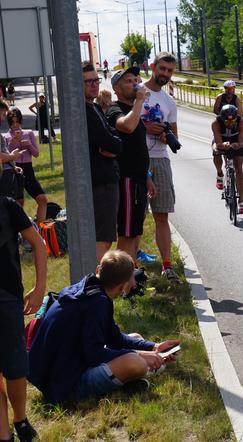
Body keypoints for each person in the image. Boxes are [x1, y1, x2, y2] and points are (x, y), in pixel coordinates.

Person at [28, 250, 180, 405]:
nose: (134, 283)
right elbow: (94, 354)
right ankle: (136, 375)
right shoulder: (97, 304)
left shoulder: (90, 288)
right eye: (132, 279)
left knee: (135, 337)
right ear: (122, 287)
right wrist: (141, 355)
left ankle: (137, 373)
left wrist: (154, 347)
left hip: (55, 372)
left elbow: (114, 338)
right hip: (63, 385)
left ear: (98, 270)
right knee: (137, 363)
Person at [0, 195, 47, 442]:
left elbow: (38, 244)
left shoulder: (8, 206)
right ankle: (4, 433)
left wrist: (40, 288)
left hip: (7, 298)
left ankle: (20, 418)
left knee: (15, 368)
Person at [106, 67, 156, 260]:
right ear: (116, 88)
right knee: (126, 234)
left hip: (138, 179)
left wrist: (147, 176)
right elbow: (126, 126)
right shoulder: (114, 109)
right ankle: (121, 281)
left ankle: (131, 278)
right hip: (126, 179)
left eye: (136, 79)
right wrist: (140, 101)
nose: (135, 84)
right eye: (128, 81)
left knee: (135, 231)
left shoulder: (133, 109)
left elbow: (138, 147)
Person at [140, 52, 179, 280]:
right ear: (154, 67)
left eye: (169, 71)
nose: (165, 74)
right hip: (138, 157)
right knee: (134, 216)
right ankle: (130, 264)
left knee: (162, 215)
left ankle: (167, 265)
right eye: (162, 68)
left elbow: (174, 132)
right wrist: (145, 128)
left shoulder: (169, 101)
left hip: (161, 158)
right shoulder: (139, 92)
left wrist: (166, 136)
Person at [83, 62, 124, 262]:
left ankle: (95, 284)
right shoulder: (85, 112)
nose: (94, 85)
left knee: (104, 237)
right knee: (104, 238)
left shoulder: (95, 108)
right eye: (88, 81)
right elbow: (109, 141)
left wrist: (114, 146)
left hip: (106, 178)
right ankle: (95, 285)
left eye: (96, 80)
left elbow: (114, 140)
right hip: (101, 181)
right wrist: (114, 145)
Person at [3, 109, 48, 223]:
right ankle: (20, 233)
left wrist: (29, 145)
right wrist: (12, 142)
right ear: (9, 123)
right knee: (18, 203)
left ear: (21, 121)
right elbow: (4, 155)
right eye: (12, 123)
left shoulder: (29, 133)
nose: (15, 125)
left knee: (42, 199)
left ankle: (40, 229)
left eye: (17, 122)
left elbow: (36, 154)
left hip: (28, 169)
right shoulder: (6, 137)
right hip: (14, 169)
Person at [211, 104, 243, 214]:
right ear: (222, 119)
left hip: (236, 140)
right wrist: (221, 146)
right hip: (221, 140)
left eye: (232, 122)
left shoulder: (241, 122)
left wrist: (237, 145)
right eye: (227, 122)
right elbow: (217, 143)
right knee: (216, 152)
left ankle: (241, 201)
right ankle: (220, 174)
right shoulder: (216, 123)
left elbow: (241, 142)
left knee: (239, 169)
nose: (230, 124)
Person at [0, 99, 25, 201]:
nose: (2, 119)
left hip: (8, 172)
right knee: (8, 210)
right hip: (4, 177)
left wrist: (13, 166)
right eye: (2, 114)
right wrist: (13, 156)